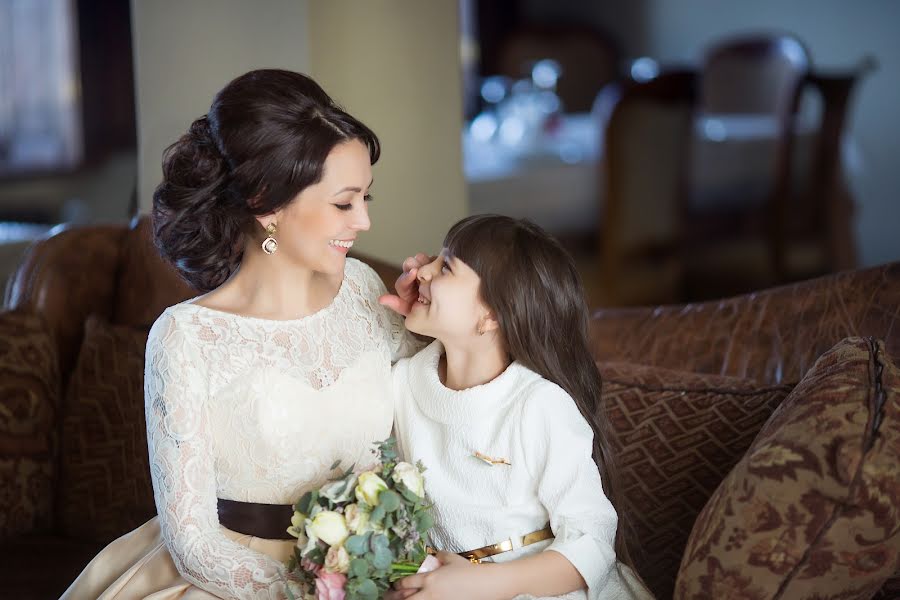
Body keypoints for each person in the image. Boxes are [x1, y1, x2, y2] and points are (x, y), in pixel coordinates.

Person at [62, 69, 421, 600]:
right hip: (234, 579)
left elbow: (439, 404)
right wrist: (317, 594)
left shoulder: (366, 289)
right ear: (266, 203)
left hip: (375, 573)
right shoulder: (186, 337)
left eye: (367, 198)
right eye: (344, 203)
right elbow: (193, 543)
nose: (364, 221)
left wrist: (433, 325)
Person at [386, 215, 654, 600]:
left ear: (491, 314)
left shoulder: (538, 405)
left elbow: (592, 542)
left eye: (445, 266)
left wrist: (480, 585)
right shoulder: (404, 382)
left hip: (539, 589)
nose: (419, 269)